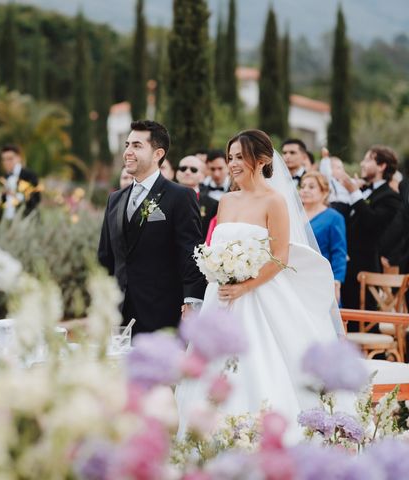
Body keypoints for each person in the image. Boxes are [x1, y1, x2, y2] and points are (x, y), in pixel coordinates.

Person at [176, 130, 342, 441]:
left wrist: (245, 286)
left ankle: (258, 436)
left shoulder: (274, 201)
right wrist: (216, 269)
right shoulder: (225, 200)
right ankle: (208, 436)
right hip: (220, 296)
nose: (233, 163)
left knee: (258, 365)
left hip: (259, 297)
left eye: (240, 156)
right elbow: (217, 246)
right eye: (230, 157)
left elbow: (279, 256)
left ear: (262, 160)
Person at [98, 120, 206, 335]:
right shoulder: (115, 200)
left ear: (158, 154)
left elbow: (191, 254)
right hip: (117, 314)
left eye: (137, 146)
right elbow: (105, 256)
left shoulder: (180, 196)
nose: (128, 151)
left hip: (162, 313)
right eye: (127, 145)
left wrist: (192, 302)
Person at [334, 145, 402, 309]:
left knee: (361, 318)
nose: (362, 164)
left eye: (368, 159)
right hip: (345, 267)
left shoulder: (391, 197)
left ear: (381, 166)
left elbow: (372, 223)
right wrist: (349, 192)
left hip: (365, 267)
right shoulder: (362, 191)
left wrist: (354, 193)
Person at [300, 172, 346, 302]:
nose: (305, 190)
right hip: (295, 275)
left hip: (320, 277)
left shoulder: (334, 217)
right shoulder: (294, 215)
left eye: (311, 187)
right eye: (303, 186)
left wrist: (336, 281)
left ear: (324, 192)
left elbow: (339, 252)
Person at [176, 154, 218, 235]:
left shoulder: (213, 204)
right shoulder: (163, 197)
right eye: (183, 168)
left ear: (202, 176)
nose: (187, 172)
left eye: (193, 169)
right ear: (177, 173)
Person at [0, 144, 41, 221]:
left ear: (19, 158)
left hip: (27, 221)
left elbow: (36, 199)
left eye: (10, 159)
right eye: (4, 159)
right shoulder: (5, 177)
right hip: (8, 222)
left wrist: (16, 195)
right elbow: (3, 202)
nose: (6, 162)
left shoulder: (30, 175)